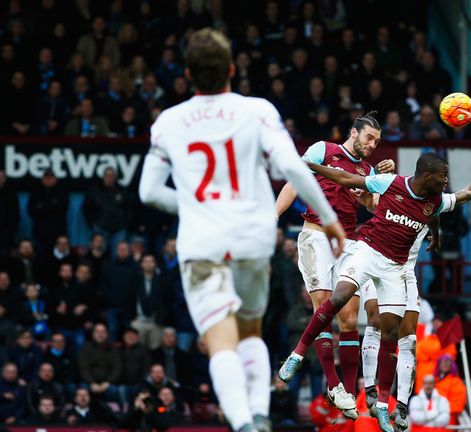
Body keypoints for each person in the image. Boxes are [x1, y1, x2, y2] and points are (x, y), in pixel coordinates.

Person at [138, 28, 342, 432]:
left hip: (203, 241)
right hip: (252, 238)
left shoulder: (168, 122)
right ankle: (260, 414)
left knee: (220, 338)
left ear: (190, 74)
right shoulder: (258, 110)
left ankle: (244, 423)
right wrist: (329, 218)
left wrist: (195, 205)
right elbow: (291, 168)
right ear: (231, 69)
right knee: (249, 329)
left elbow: (148, 192)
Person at [280, 153, 471, 431]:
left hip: (396, 270)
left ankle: (384, 405)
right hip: (367, 251)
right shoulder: (390, 183)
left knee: (392, 333)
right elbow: (347, 178)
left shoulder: (435, 202)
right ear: (427, 176)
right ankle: (296, 355)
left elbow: (468, 192)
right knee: (338, 298)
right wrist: (310, 165)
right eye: (443, 176)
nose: (447, 181)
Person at [274, 110, 395, 415]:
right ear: (354, 133)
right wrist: (271, 218)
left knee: (351, 318)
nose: (372, 145)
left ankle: (348, 392)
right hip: (315, 236)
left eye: (377, 141)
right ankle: (333, 384)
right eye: (369, 137)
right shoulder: (323, 150)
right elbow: (293, 184)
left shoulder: (367, 170)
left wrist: (368, 193)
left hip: (348, 242)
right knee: (324, 311)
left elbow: (373, 206)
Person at [78, 323, 121, 402]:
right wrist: (91, 383)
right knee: (82, 390)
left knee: (113, 391)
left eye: (103, 332)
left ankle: (112, 413)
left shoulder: (113, 348)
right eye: (97, 332)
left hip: (107, 383)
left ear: (107, 334)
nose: (100, 334)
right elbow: (83, 368)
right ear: (93, 334)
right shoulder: (86, 347)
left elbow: (117, 368)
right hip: (89, 382)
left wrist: (108, 382)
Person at [434, 355, 466, 425]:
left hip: (448, 420)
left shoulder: (457, 382)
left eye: (448, 362)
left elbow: (458, 405)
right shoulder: (434, 381)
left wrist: (441, 409)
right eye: (443, 362)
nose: (445, 364)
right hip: (432, 419)